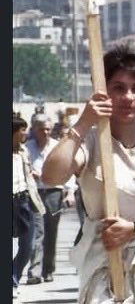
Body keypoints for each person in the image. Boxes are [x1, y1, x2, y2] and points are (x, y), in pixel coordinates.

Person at [40, 46, 135, 303]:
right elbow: (52, 176)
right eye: (118, 88)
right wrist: (82, 123)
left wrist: (134, 229)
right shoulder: (90, 142)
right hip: (106, 264)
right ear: (103, 92)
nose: (128, 97)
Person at [25, 112, 74, 286]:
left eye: (48, 129)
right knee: (37, 232)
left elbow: (68, 169)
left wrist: (70, 192)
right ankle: (35, 271)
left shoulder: (57, 146)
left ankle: (48, 269)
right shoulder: (27, 148)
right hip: (35, 192)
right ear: (35, 130)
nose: (45, 132)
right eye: (41, 129)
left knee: (51, 233)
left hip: (54, 192)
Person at [13, 116, 46, 297]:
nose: (26, 133)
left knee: (28, 246)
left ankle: (14, 277)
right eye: (22, 130)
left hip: (24, 201)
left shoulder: (24, 152)